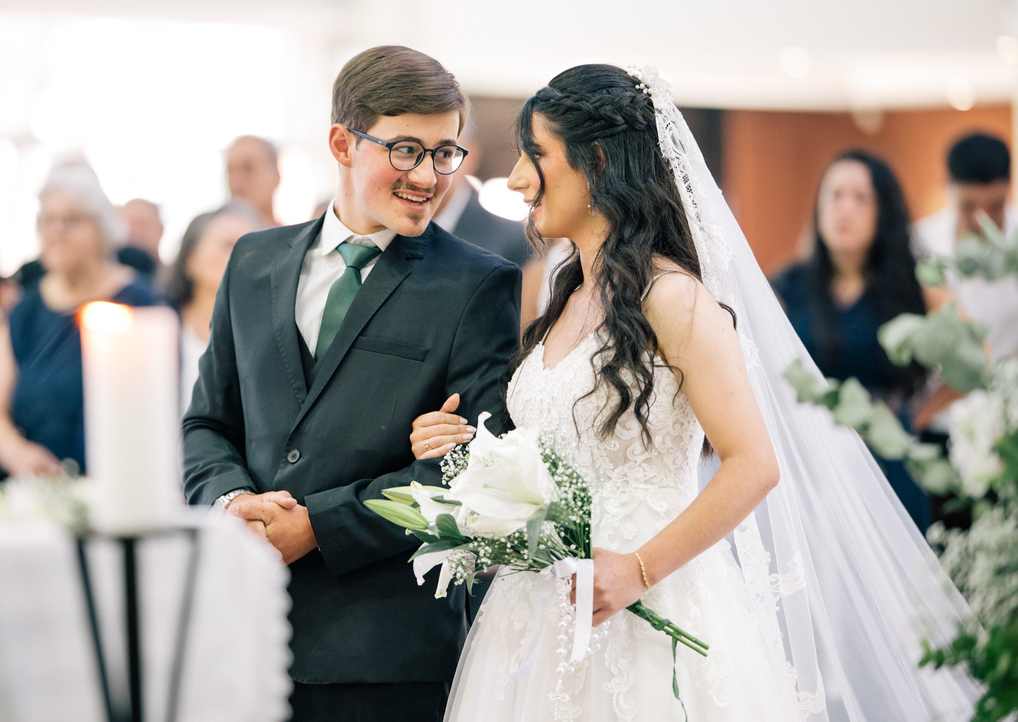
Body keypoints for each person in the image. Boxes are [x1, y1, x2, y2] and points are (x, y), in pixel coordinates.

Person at [410, 65, 978, 720]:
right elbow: (553, 450)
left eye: (534, 155)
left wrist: (638, 570)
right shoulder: (561, 296)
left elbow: (754, 464)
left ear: (597, 161)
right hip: (538, 611)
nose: (515, 179)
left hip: (648, 603)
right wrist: (467, 454)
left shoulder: (674, 298)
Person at [182, 45, 521, 722]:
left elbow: (474, 472)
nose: (428, 176)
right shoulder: (252, 261)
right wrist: (234, 505)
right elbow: (207, 424)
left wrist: (318, 526)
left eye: (444, 153)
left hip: (384, 653)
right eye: (406, 150)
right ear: (343, 143)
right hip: (242, 632)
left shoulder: (477, 283)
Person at [772, 151, 934, 531]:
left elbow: (975, 357)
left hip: (889, 461)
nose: (844, 208)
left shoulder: (912, 286)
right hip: (811, 464)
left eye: (861, 198)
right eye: (834, 194)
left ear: (884, 211)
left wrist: (916, 416)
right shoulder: (788, 286)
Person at [0, 158, 159, 476]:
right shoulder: (25, 310)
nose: (57, 232)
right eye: (48, 220)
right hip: (39, 488)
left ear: (103, 229)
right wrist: (17, 453)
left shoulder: (142, 303)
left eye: (71, 220)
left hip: (119, 479)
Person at [915, 132, 1018, 361]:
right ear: (946, 182)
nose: (982, 220)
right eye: (968, 206)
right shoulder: (921, 241)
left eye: (995, 206)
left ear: (1009, 185)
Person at [163, 201, 263, 411]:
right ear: (190, 259)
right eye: (228, 245)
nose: (243, 257)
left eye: (253, 248)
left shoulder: (270, 334)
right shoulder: (159, 327)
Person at [432, 127, 532, 268]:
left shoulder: (512, 241)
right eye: (411, 150)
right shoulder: (398, 228)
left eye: (444, 154)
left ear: (471, 157)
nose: (425, 170)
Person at [225, 135, 281, 228]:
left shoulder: (299, 236)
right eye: (230, 171)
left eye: (247, 168)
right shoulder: (206, 233)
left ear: (276, 175)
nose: (235, 182)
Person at [118, 198, 165, 278]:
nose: (135, 232)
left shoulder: (174, 277)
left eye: (141, 224)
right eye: (128, 226)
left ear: (160, 230)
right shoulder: (111, 279)